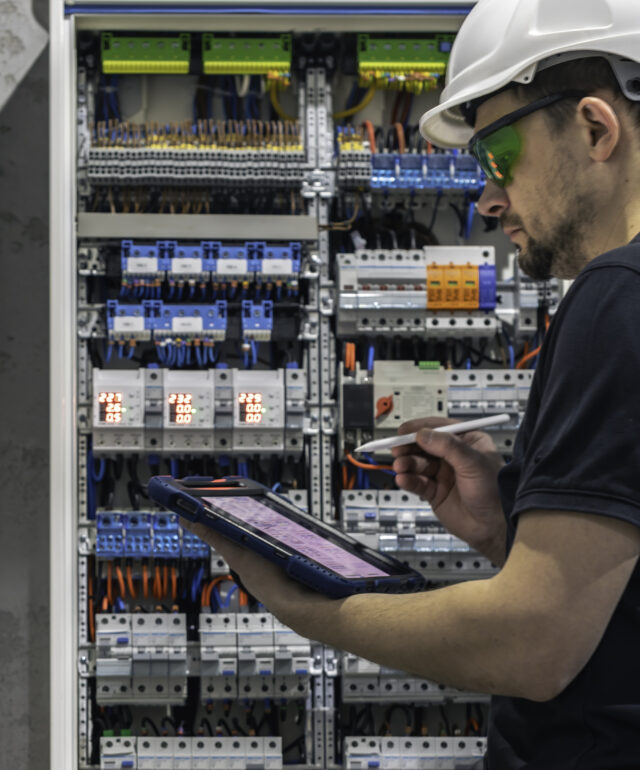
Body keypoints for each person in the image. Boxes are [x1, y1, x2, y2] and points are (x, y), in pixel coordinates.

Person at [186, 1, 640, 766]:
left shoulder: (617, 297)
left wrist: (304, 603)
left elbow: (534, 646)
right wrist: (506, 531)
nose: (488, 200)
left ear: (596, 128)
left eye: (497, 155)